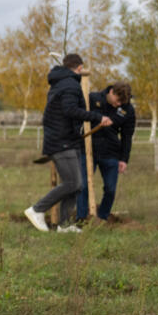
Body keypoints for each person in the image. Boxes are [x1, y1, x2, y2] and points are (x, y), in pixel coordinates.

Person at [23, 54, 112, 233]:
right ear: (79, 68)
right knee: (72, 183)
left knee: (76, 184)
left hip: (66, 139)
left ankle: (64, 225)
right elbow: (70, 110)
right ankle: (37, 209)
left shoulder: (61, 82)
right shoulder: (70, 84)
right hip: (60, 141)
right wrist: (98, 117)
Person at [83, 80, 135, 222]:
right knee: (83, 186)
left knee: (110, 189)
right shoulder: (92, 99)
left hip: (111, 153)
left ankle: (103, 218)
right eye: (117, 101)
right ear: (111, 92)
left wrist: (124, 159)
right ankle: (81, 218)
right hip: (89, 151)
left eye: (122, 103)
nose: (118, 104)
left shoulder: (128, 109)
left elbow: (127, 136)